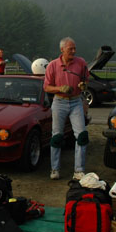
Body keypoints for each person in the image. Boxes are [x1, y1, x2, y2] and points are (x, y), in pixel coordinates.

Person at [43, 37, 90, 180]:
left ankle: (79, 170)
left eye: (74, 48)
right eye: (71, 49)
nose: (74, 51)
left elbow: (86, 80)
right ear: (62, 49)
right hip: (59, 102)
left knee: (81, 135)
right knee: (57, 136)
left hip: (76, 102)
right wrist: (59, 88)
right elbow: (46, 87)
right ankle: (55, 169)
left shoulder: (81, 63)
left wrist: (84, 86)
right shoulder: (53, 65)